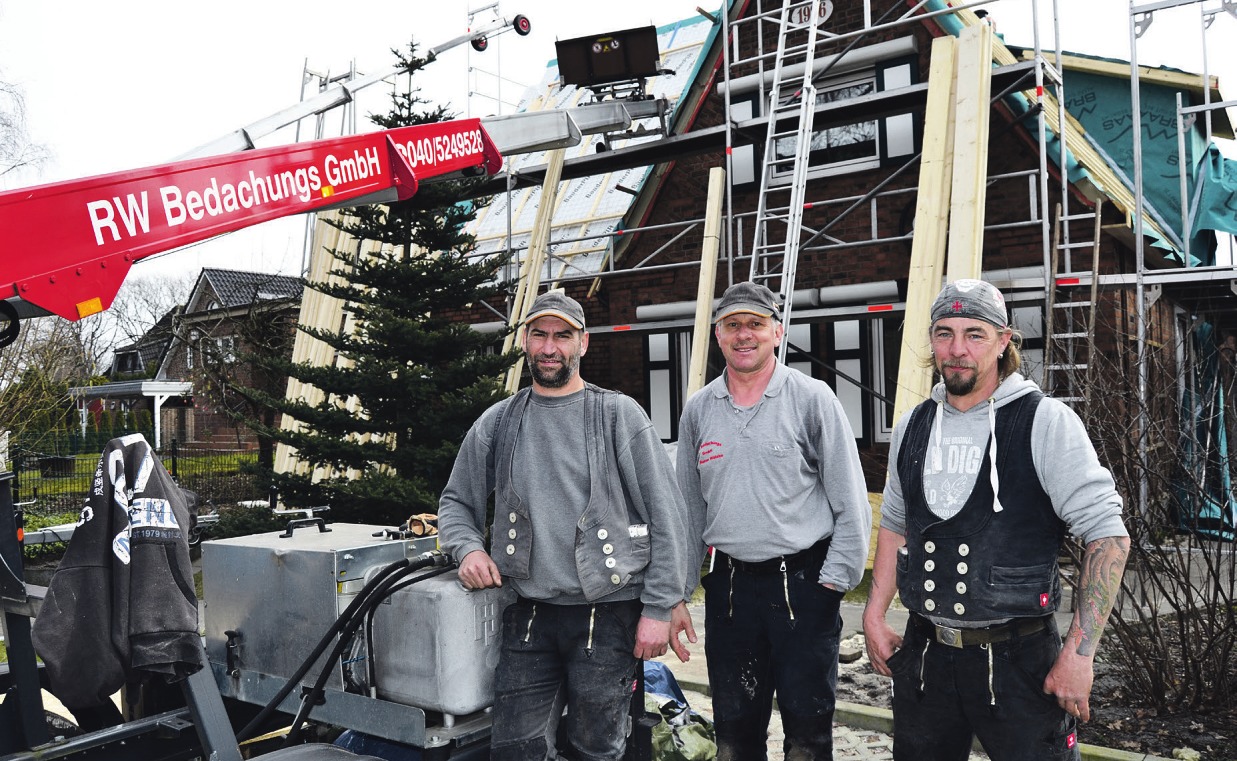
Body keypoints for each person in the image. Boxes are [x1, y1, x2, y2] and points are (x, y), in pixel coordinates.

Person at [862, 278, 1130, 761]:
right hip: (926, 658)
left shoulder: (1045, 421)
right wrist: (875, 613)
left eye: (975, 334)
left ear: (1004, 340)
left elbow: (1107, 535)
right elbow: (896, 524)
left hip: (1018, 661)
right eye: (944, 333)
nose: (957, 349)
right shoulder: (912, 426)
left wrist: (1080, 654)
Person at [437, 288, 690, 761]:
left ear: (583, 344)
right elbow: (455, 502)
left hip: (608, 613)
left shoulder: (618, 416)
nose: (549, 347)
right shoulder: (499, 423)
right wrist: (467, 549)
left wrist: (658, 608)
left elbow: (668, 518)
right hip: (528, 614)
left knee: (596, 749)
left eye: (562, 336)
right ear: (526, 342)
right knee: (515, 749)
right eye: (539, 335)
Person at [670, 281, 873, 761]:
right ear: (718, 335)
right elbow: (686, 512)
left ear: (777, 332)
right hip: (730, 591)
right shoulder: (699, 410)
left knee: (807, 735)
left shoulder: (811, 399)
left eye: (755, 325)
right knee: (735, 735)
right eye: (733, 325)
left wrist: (833, 585)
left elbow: (851, 502)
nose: (744, 335)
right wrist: (676, 592)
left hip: (803, 586)